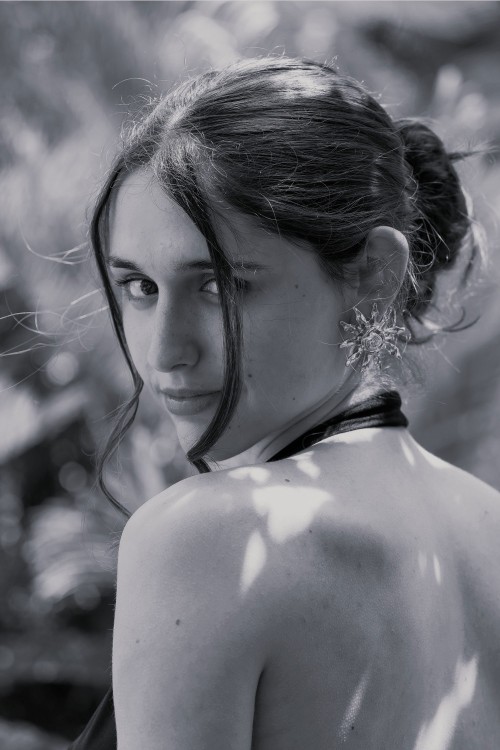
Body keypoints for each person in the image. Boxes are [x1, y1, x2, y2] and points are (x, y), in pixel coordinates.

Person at [69, 57, 500, 749]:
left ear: (373, 275)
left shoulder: (204, 537)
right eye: (140, 288)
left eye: (220, 285)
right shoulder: (487, 526)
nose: (165, 351)